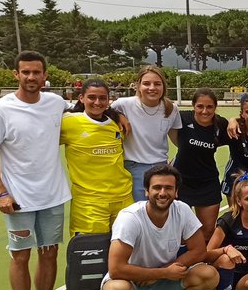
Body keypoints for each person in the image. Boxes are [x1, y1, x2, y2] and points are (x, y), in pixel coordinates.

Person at [0, 50, 73, 290]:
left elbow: (88, 106)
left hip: (53, 195)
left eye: (37, 72)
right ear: (16, 75)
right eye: (26, 72)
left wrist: (118, 115)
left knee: (49, 252)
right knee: (20, 257)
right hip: (18, 200)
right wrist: (1, 193)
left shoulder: (56, 103)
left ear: (45, 75)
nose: (31, 77)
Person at [101, 164, 218, 290]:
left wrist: (164, 273)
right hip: (133, 283)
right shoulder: (129, 218)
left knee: (209, 275)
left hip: (166, 279)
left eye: (168, 188)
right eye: (157, 187)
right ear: (147, 191)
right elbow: (116, 269)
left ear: (176, 192)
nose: (162, 193)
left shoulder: (182, 210)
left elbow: (199, 250)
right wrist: (161, 273)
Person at [60, 79, 131, 236]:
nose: (97, 102)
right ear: (81, 98)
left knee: (126, 252)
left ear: (108, 100)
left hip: (124, 198)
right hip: (89, 203)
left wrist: (118, 115)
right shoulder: (69, 122)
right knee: (91, 255)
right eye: (92, 97)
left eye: (102, 98)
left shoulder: (115, 122)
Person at [112, 66, 181, 202]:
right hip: (134, 167)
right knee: (141, 213)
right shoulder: (123, 104)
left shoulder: (171, 109)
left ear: (163, 86)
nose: (152, 88)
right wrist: (118, 116)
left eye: (157, 84)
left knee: (160, 213)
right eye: (146, 83)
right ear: (138, 85)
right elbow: (103, 112)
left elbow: (177, 140)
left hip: (161, 167)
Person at [172, 88, 228, 244]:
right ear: (193, 106)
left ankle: (200, 263)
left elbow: (235, 129)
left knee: (208, 230)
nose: (205, 111)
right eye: (200, 106)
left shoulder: (220, 124)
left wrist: (234, 121)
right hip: (181, 183)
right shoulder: (182, 118)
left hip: (207, 183)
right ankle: (181, 263)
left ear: (215, 107)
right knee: (180, 231)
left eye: (209, 107)